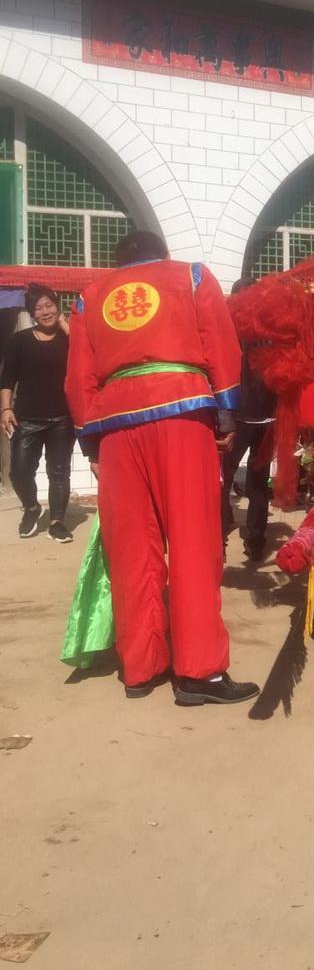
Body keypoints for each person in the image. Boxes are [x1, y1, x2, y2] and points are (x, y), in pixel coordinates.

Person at [65, 230, 260, 704]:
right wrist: (227, 412)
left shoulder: (91, 297)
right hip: (181, 414)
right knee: (193, 541)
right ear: (163, 255)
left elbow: (78, 378)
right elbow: (221, 345)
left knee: (131, 546)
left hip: (115, 424)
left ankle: (140, 667)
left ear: (118, 262)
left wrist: (91, 442)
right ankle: (199, 673)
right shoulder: (190, 277)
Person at [1, 284, 75, 542]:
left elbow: (87, 352)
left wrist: (65, 324)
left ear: (57, 306)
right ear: (32, 313)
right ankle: (32, 508)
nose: (45, 312)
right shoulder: (20, 340)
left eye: (49, 305)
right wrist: (6, 408)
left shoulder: (69, 339)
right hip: (27, 418)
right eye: (38, 308)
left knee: (59, 472)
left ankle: (57, 522)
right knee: (19, 472)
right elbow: (7, 378)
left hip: (63, 419)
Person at [221, 277, 276, 562]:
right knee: (257, 483)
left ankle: (222, 531)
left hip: (238, 418)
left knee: (224, 476)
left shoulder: (227, 330)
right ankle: (255, 540)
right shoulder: (273, 330)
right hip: (265, 417)